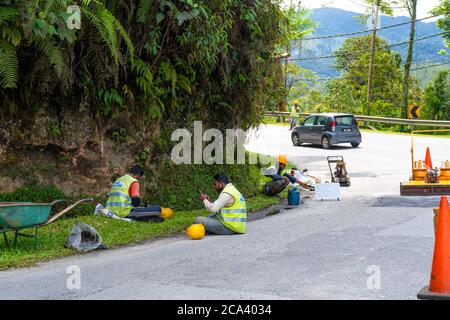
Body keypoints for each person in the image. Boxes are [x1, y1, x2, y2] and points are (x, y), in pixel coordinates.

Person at [97, 165, 164, 222]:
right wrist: (142, 205)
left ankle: (151, 219)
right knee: (157, 209)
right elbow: (136, 203)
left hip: (111, 210)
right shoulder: (133, 181)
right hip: (123, 212)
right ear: (138, 175)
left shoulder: (119, 179)